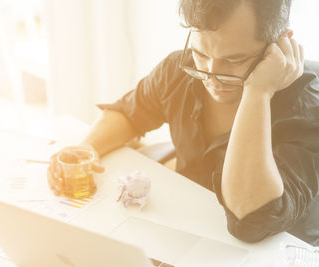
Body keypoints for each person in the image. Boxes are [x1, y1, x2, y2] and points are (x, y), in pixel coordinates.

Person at [48, 0, 319, 245]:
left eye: (234, 60)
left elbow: (250, 220)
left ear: (281, 44)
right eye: (202, 53)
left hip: (273, 252)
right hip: (186, 233)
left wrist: (258, 92)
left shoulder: (308, 110)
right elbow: (130, 113)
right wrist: (87, 149)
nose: (211, 75)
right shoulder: (181, 68)